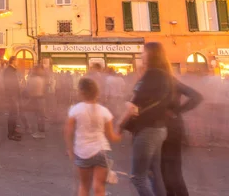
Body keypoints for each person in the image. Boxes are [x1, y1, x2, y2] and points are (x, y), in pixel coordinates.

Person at [118, 42, 174, 196]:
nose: (141, 55)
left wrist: (119, 126)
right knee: (154, 174)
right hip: (159, 129)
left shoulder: (152, 74)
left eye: (144, 52)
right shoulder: (165, 75)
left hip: (147, 130)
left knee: (138, 178)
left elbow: (133, 104)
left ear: (151, 54)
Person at [65, 78, 121, 196]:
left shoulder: (75, 109)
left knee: (84, 186)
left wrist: (70, 149)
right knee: (99, 187)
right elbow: (111, 136)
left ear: (81, 92)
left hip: (82, 152)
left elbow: (68, 131)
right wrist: (120, 134)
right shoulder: (104, 111)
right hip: (101, 151)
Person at [161, 79, 203, 196]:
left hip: (168, 130)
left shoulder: (167, 80)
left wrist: (175, 111)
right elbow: (197, 97)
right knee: (169, 171)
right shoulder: (169, 80)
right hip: (172, 128)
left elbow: (197, 97)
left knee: (169, 171)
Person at [3, 57, 21, 141]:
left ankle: (13, 131)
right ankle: (11, 134)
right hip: (12, 95)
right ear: (13, 61)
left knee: (14, 114)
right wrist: (12, 95)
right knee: (12, 115)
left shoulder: (12, 70)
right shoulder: (9, 71)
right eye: (17, 61)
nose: (18, 62)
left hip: (14, 95)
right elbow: (9, 84)